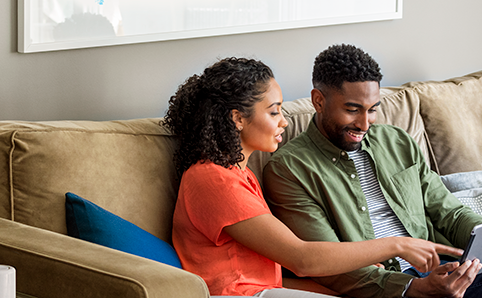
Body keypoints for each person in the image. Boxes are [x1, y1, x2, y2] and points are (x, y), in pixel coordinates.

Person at [262, 44, 482, 298]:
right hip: (395, 288)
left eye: (373, 109)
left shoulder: (396, 141)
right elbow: (330, 267)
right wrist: (414, 288)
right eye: (352, 110)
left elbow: (447, 211)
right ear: (318, 100)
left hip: (449, 272)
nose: (365, 123)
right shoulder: (290, 169)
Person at [162, 57, 463, 297]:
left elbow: (275, 276)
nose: (284, 121)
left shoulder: (238, 173)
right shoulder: (213, 179)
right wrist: (397, 245)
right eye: (274, 112)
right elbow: (302, 259)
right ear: (238, 118)